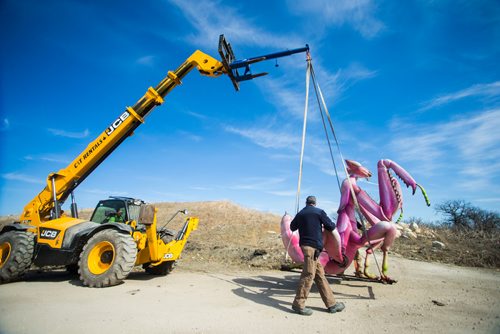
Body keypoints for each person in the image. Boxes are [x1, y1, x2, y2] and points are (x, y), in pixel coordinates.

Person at [290, 195, 345, 316]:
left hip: (308, 247)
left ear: (306, 203)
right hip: (312, 248)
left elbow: (292, 227)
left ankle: (332, 304)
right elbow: (330, 226)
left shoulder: (301, 214)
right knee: (308, 274)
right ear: (315, 203)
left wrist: (300, 219)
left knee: (320, 275)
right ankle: (298, 304)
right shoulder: (319, 212)